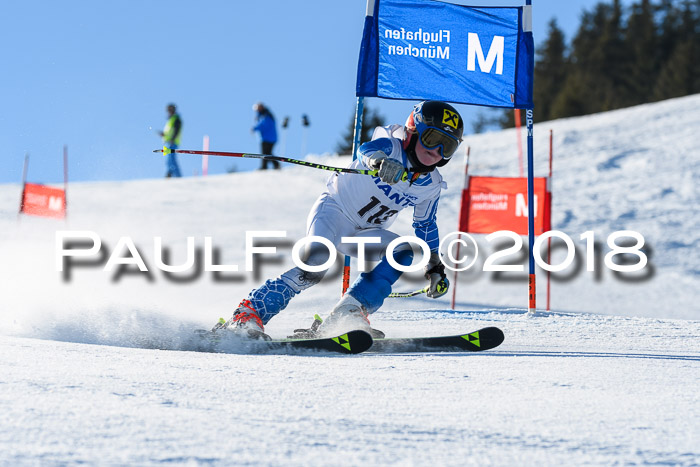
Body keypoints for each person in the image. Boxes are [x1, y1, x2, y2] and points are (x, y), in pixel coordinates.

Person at [216, 101, 463, 339]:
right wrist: (379, 162)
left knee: (403, 251)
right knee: (316, 262)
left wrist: (434, 267)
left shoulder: (430, 186)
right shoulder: (392, 147)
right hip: (334, 210)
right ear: (413, 132)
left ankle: (349, 313)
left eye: (447, 146)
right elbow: (366, 149)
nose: (436, 151)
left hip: (364, 232)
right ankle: (249, 313)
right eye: (432, 139)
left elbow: (425, 225)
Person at [252, 102, 279, 170]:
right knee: (267, 153)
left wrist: (255, 128)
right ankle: (273, 165)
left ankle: (266, 166)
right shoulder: (262, 115)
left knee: (265, 153)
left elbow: (264, 124)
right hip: (266, 137)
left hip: (269, 138)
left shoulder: (266, 115)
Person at [159, 103, 182, 177]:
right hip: (168, 143)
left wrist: (173, 139)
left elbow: (176, 130)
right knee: (168, 161)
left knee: (171, 160)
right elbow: (169, 132)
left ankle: (177, 176)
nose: (169, 112)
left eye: (170, 110)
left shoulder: (176, 119)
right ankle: (170, 174)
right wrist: (164, 135)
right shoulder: (170, 120)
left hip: (172, 143)